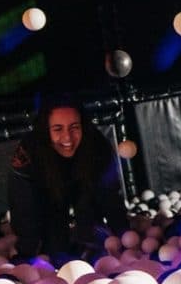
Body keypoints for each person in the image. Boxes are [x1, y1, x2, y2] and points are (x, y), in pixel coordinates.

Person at [7, 99, 129, 259]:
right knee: (55, 244)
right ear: (45, 130)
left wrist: (125, 238)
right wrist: (27, 249)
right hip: (46, 190)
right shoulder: (29, 153)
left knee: (92, 232)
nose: (67, 137)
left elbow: (110, 196)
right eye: (58, 129)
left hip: (84, 185)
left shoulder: (97, 146)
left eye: (74, 127)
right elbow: (23, 204)